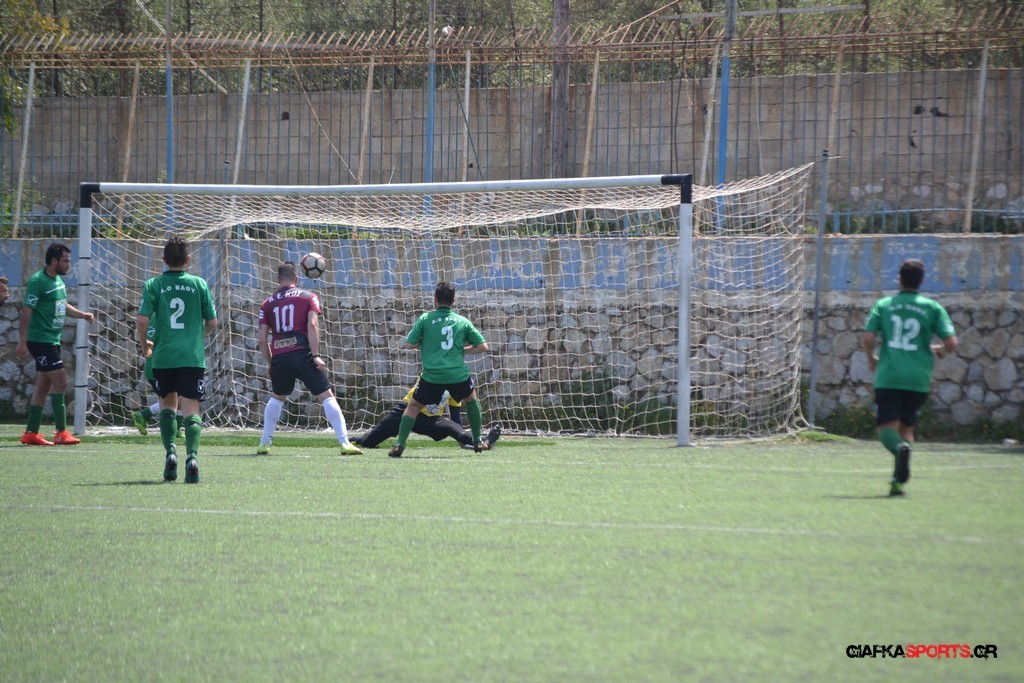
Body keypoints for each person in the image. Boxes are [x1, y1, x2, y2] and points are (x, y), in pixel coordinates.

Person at [862, 258, 958, 496]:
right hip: (918, 379)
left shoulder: (885, 305)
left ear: (900, 279)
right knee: (906, 429)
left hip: (890, 376)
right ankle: (897, 482)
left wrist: (871, 359)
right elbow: (951, 343)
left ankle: (899, 450)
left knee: (886, 428)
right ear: (921, 281)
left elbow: (868, 339)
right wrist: (941, 351)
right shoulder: (932, 307)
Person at [256, 261, 362, 456]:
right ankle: (344, 442)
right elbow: (312, 325)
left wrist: (272, 363)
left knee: (278, 397)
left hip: (280, 357)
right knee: (326, 397)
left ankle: (264, 442)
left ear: (278, 280)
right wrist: (315, 355)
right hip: (302, 354)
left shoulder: (267, 303)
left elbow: (262, 340)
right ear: (296, 278)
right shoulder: (309, 297)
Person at [136, 235, 218, 483]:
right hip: (191, 357)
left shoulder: (154, 284)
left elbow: (142, 320)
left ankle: (170, 454)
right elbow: (212, 322)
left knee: (168, 406)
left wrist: (145, 344)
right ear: (188, 260)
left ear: (164, 260)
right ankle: (192, 458)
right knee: (191, 408)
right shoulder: (199, 284)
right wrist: (198, 335)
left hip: (164, 357)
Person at [389, 281, 489, 458]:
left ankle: (399, 445)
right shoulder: (462, 321)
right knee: (471, 399)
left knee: (413, 406)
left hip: (432, 376)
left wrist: (424, 342)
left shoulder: (425, 319)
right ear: (453, 300)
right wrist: (463, 350)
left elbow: (409, 344)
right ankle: (478, 440)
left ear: (435, 299)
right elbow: (483, 347)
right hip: (457, 375)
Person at [15, 242, 96, 446]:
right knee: (61, 382)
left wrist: (82, 315)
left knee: (44, 386)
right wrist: (22, 342)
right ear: (54, 261)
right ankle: (61, 432)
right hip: (40, 341)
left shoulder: (57, 281)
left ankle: (31, 433)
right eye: (65, 261)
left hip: (52, 340)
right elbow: (26, 312)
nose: (69, 264)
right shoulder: (38, 281)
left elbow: (63, 305)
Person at [353, 380, 502, 451]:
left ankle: (484, 441)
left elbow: (455, 416)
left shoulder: (455, 383)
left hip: (431, 420)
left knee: (453, 428)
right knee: (368, 442)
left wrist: (461, 438)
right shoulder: (429, 375)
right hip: (406, 412)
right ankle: (352, 439)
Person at [130, 329, 185, 439]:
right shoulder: (155, 322)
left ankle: (175, 429)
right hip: (159, 368)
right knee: (174, 399)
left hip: (170, 366)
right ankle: (144, 414)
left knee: (181, 397)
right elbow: (149, 343)